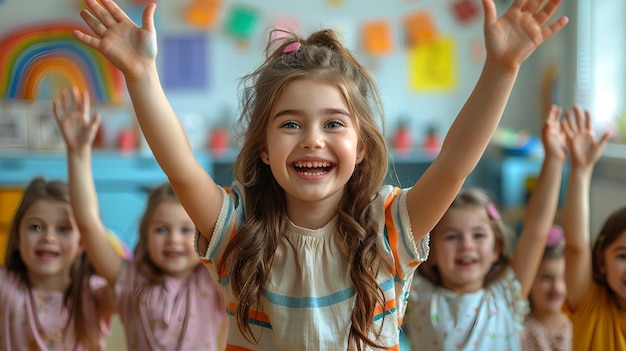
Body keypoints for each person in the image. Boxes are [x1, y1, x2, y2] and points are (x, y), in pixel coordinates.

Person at [72, 0, 568, 348]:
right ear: (264, 149)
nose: (312, 139)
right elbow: (180, 166)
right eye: (290, 124)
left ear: (360, 145)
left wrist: (501, 67)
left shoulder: (390, 227)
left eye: (334, 123)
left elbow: (456, 161)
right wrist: (140, 75)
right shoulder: (238, 229)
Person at [53, 87, 228, 351]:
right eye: (161, 230)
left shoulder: (212, 281)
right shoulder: (130, 281)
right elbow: (88, 224)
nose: (173, 240)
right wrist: (78, 153)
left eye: (185, 230)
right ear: (144, 235)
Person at [405, 104, 568, 350]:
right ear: (431, 251)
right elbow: (446, 170)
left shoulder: (507, 295)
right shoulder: (418, 295)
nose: (467, 245)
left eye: (479, 235)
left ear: (496, 248)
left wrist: (554, 160)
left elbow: (535, 230)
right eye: (451, 237)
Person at [0, 177, 115, 350]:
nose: (49, 238)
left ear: (83, 242)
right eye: (36, 227)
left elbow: (127, 288)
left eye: (63, 229)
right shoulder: (6, 286)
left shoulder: (95, 293)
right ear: (17, 236)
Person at [560, 105, 618, 350]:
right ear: (601, 261)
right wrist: (581, 171)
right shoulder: (592, 303)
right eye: (623, 256)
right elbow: (576, 246)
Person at [521, 225, 572, 351]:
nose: (557, 288)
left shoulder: (577, 324)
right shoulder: (521, 332)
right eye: (547, 278)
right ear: (529, 280)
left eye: (565, 277)